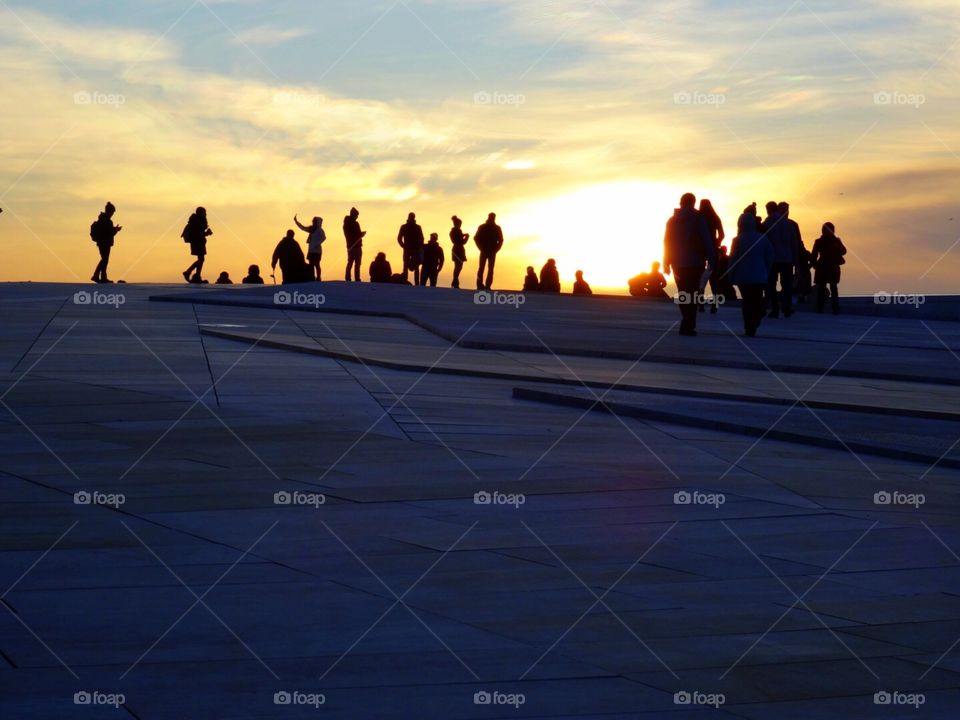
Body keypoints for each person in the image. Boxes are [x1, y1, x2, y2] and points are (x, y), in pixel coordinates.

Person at [663, 193, 715, 336]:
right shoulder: (698, 218)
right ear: (693, 202)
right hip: (695, 262)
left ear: (681, 203)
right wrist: (712, 258)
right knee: (692, 294)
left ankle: (686, 323)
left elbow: (667, 242)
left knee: (683, 293)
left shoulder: (672, 220)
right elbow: (706, 239)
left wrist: (666, 261)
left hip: (677, 264)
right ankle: (688, 325)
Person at [728, 212, 774, 337]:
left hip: (743, 277)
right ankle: (756, 317)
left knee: (747, 301)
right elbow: (770, 257)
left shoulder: (737, 240)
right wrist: (766, 271)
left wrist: (730, 274)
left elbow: (733, 258)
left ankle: (749, 325)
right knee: (757, 299)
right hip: (759, 276)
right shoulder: (763, 238)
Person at [762, 201, 798, 318]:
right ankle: (787, 307)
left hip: (772, 259)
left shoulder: (767, 223)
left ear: (768, 210)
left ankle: (775, 309)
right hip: (787, 258)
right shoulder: (788, 223)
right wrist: (795, 257)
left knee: (771, 284)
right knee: (786, 284)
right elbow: (794, 242)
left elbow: (764, 241)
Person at [811, 222, 847, 315]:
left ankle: (827, 308)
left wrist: (814, 264)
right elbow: (814, 255)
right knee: (827, 288)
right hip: (827, 267)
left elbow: (843, 251)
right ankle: (831, 309)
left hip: (828, 267)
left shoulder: (822, 241)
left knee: (829, 288)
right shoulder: (822, 241)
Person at [699, 199, 725, 313]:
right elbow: (722, 234)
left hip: (699, 251)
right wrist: (716, 242)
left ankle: (700, 305)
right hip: (712, 250)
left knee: (700, 279)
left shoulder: (699, 217)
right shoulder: (715, 217)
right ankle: (714, 304)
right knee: (714, 279)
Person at [90, 202, 121, 284]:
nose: (112, 214)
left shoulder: (102, 219)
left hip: (102, 242)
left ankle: (101, 276)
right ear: (109, 211)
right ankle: (97, 276)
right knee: (105, 260)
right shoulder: (107, 221)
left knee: (104, 260)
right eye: (112, 212)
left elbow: (107, 231)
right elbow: (108, 233)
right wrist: (116, 230)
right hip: (105, 243)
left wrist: (114, 230)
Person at [182, 207, 213, 284]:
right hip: (198, 242)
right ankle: (189, 272)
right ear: (200, 212)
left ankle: (197, 276)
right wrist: (207, 233)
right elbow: (198, 233)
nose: (205, 214)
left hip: (198, 241)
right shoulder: (198, 220)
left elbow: (198, 233)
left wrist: (205, 233)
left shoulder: (196, 220)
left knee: (201, 259)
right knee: (201, 259)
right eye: (204, 212)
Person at [475, 213, 504, 290]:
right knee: (483, 268)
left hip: (491, 251)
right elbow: (476, 238)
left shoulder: (497, 228)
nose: (492, 218)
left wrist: (496, 249)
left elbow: (501, 240)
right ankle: (480, 285)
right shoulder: (483, 227)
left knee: (489, 269)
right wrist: (480, 247)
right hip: (485, 250)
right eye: (491, 217)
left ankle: (486, 286)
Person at [295, 215, 325, 281]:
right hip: (311, 250)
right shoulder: (311, 229)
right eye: (313, 221)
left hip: (317, 251)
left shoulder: (320, 230)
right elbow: (302, 228)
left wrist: (317, 243)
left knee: (317, 264)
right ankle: (312, 277)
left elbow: (324, 238)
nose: (313, 222)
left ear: (317, 222)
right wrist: (296, 222)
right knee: (311, 265)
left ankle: (318, 277)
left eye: (314, 221)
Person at [397, 212, 425, 285]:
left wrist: (419, 248)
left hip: (415, 249)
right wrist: (403, 246)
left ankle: (415, 283)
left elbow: (421, 238)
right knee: (406, 265)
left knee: (414, 266)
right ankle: (405, 281)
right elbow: (399, 238)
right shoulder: (404, 226)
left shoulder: (417, 227)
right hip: (408, 249)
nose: (412, 218)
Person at [343, 207, 366, 282]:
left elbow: (355, 234)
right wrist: (361, 234)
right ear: (353, 214)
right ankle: (353, 278)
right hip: (353, 246)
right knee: (353, 263)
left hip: (353, 245)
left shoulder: (347, 224)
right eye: (356, 215)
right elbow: (352, 234)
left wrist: (360, 234)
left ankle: (351, 277)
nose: (357, 217)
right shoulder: (352, 224)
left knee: (353, 263)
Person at [449, 216, 470, 288]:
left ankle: (455, 281)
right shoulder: (456, 231)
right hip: (458, 250)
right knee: (458, 266)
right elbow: (462, 242)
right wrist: (466, 237)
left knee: (458, 266)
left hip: (457, 249)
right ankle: (455, 281)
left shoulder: (454, 231)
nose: (460, 225)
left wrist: (464, 236)